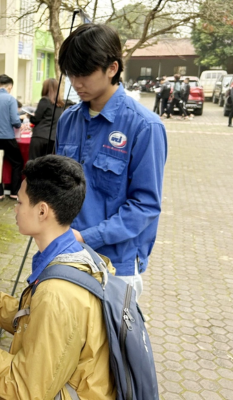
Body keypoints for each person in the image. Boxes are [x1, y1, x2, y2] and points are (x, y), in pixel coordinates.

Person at [0, 155, 115, 399]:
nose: (14, 208)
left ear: (42, 211)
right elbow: (36, 321)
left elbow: (25, 388)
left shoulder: (57, 294)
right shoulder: (77, 255)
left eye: (20, 201)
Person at [55, 23, 167, 297]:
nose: (76, 83)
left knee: (109, 339)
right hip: (67, 252)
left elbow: (145, 205)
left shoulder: (145, 126)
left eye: (84, 74)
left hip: (116, 264)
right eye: (70, 74)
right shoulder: (68, 120)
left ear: (112, 68)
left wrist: (88, 237)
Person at [28, 78, 65, 161]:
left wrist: (30, 116)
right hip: (52, 139)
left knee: (33, 164)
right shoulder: (61, 105)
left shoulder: (44, 100)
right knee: (46, 164)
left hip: (40, 137)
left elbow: (36, 119)